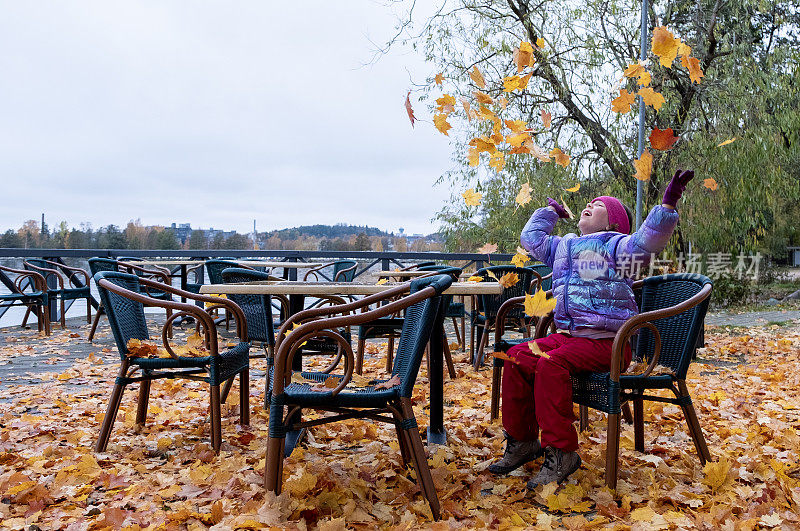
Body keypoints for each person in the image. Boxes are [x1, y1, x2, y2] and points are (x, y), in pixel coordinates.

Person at [487, 169, 695, 489]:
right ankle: (523, 441)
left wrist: (667, 205)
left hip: (607, 342)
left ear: (613, 223)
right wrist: (548, 214)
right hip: (569, 337)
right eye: (588, 202)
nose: (588, 205)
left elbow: (647, 241)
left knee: (550, 363)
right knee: (517, 356)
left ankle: (562, 451)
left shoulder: (618, 247)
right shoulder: (564, 247)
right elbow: (531, 240)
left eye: (598, 205)